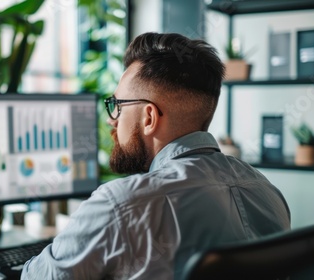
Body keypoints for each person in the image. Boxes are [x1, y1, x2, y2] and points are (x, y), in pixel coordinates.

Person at [21, 32, 290, 279]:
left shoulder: (121, 205)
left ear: (149, 117)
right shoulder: (266, 191)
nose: (111, 121)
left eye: (117, 106)